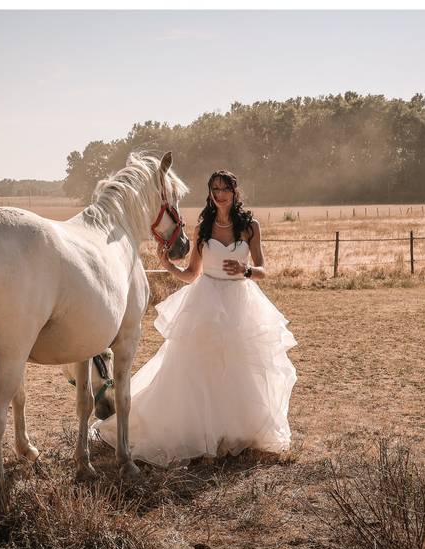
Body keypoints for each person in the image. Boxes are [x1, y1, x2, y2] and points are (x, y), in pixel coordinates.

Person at [94, 170, 297, 467]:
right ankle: (202, 435)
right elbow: (191, 275)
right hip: (206, 302)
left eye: (225, 188)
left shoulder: (250, 226)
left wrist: (247, 272)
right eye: (215, 188)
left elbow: (263, 269)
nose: (219, 193)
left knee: (240, 369)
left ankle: (238, 432)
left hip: (241, 302)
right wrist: (167, 265)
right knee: (199, 370)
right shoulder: (204, 228)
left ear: (234, 191)